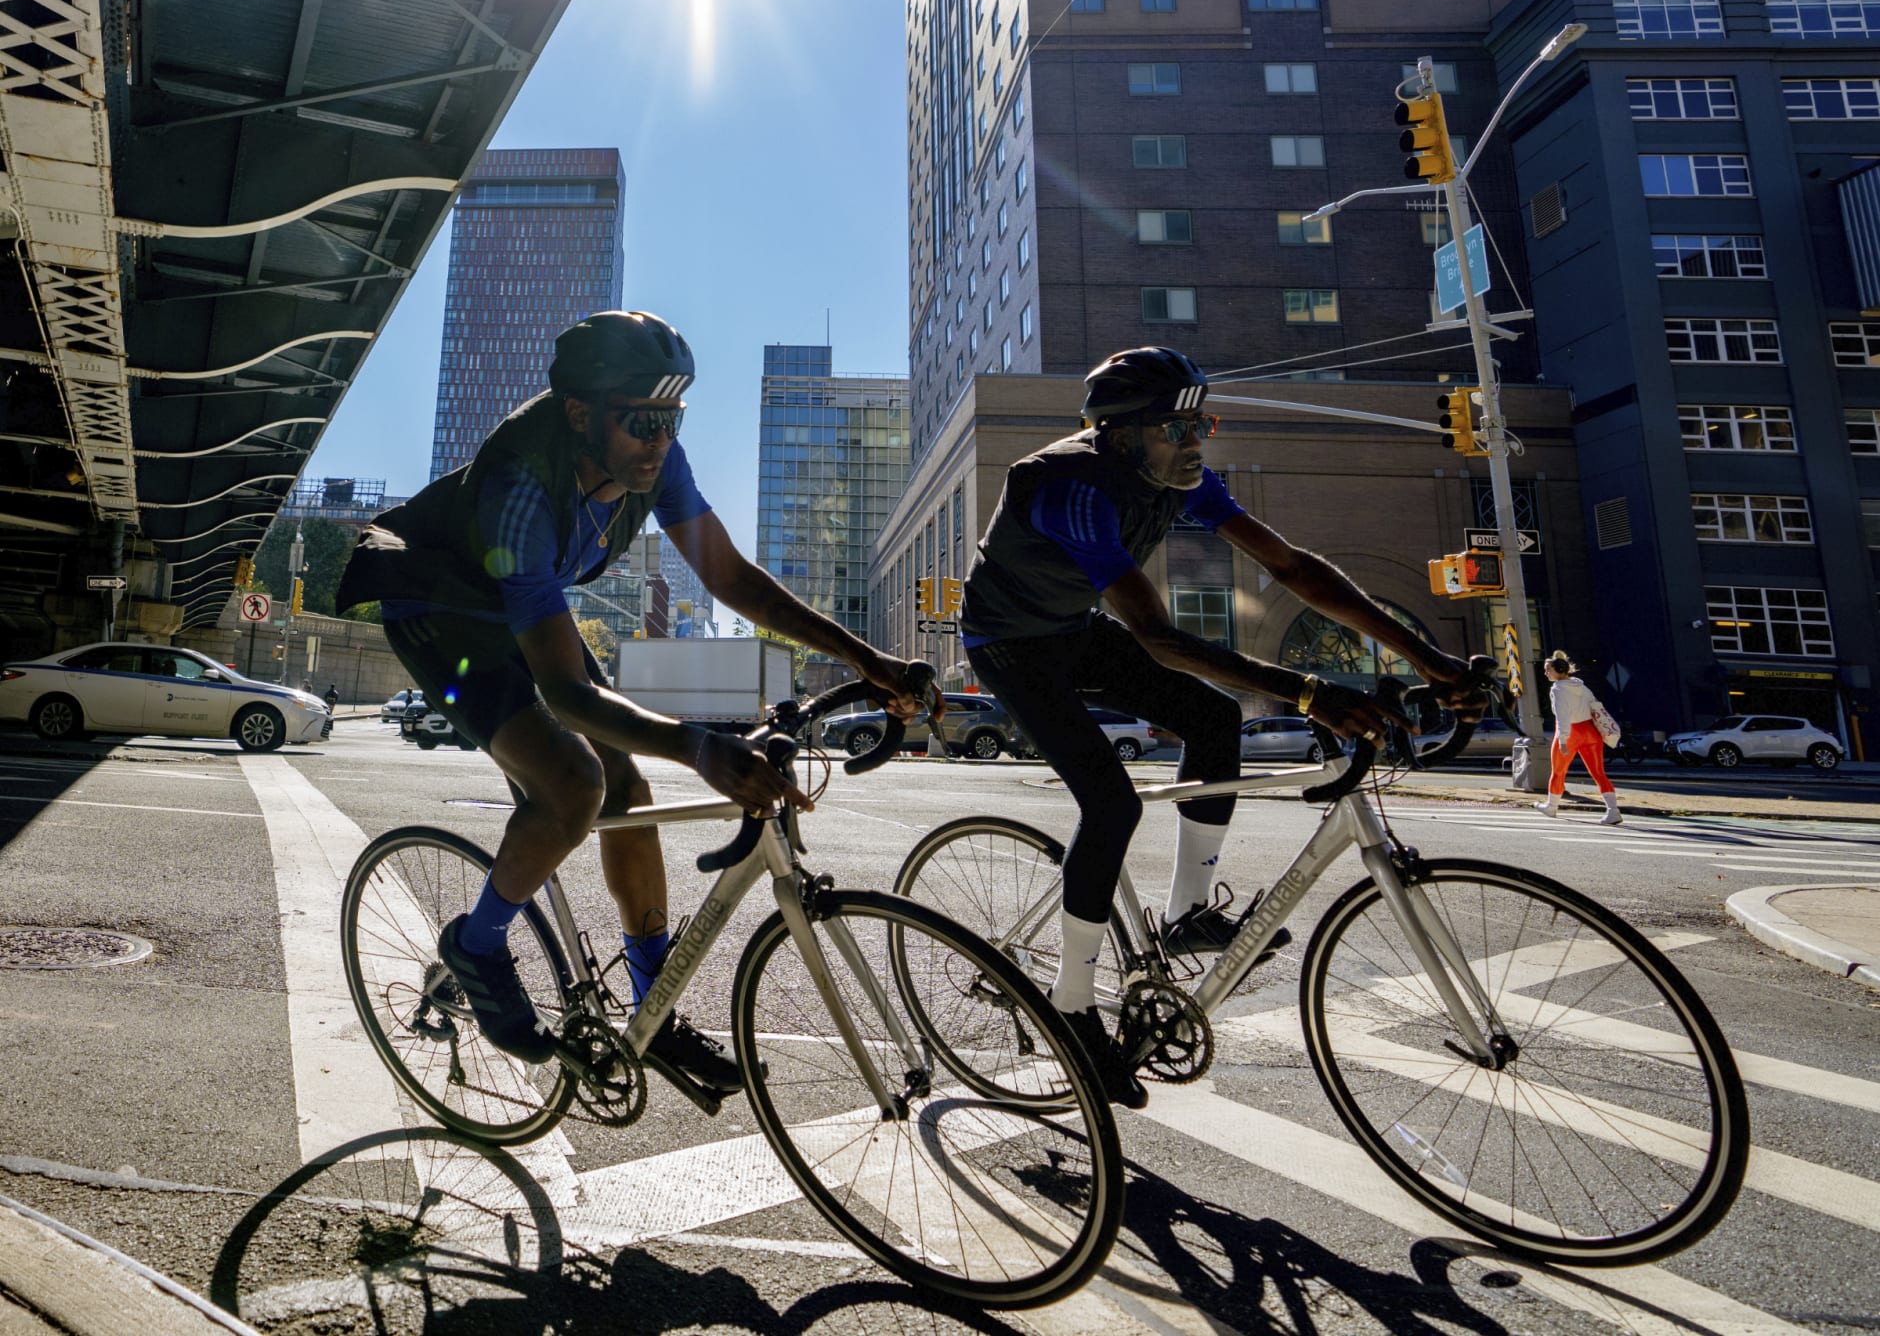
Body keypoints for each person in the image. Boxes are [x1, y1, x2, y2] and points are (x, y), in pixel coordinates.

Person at [336, 311, 929, 1092]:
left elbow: (729, 577)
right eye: (644, 420)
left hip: (521, 612)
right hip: (445, 616)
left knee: (629, 788)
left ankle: (655, 1004)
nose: (661, 439)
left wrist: (867, 657)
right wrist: (703, 748)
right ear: (581, 413)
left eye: (673, 419)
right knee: (573, 784)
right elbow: (564, 690)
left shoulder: (657, 464)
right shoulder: (520, 486)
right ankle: (476, 944)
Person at [959, 347, 1487, 1107]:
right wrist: (1307, 693)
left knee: (1212, 715)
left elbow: (1296, 571)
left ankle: (1184, 917)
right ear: (1117, 433)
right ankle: (1070, 1010)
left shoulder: (1182, 481)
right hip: (1009, 643)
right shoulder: (1067, 485)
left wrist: (1426, 656)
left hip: (1071, 625)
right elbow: (1157, 636)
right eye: (1177, 427)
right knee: (1111, 803)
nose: (1196, 440)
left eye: (1201, 421)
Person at [1534, 650, 1620, 825]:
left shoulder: (1557, 689)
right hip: (1590, 731)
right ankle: (1613, 810)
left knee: (1558, 772)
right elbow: (1595, 705)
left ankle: (1551, 806)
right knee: (1598, 772)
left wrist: (1564, 740)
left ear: (1558, 671)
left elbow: (1562, 715)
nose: (1546, 673)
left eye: (1548, 670)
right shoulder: (1581, 685)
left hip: (1571, 732)